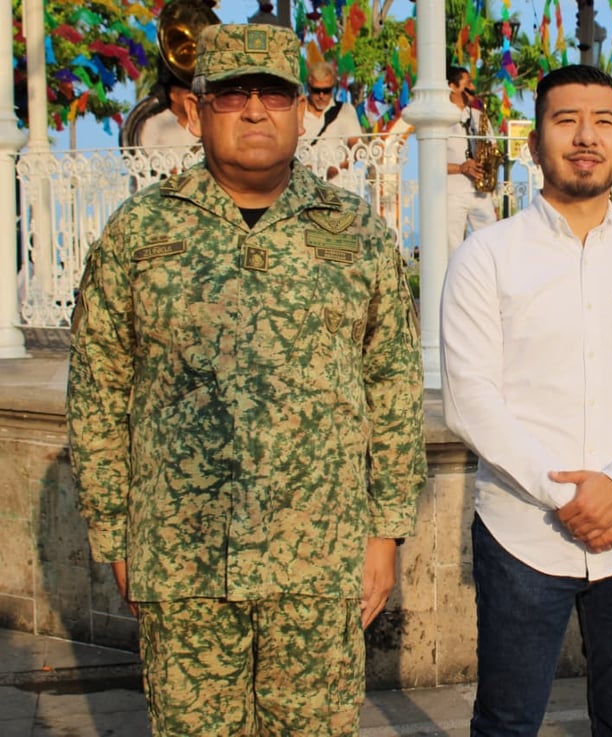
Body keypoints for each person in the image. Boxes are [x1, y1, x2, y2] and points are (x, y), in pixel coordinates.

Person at [66, 24, 426, 737]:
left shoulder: (354, 233)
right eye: (233, 94)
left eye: (274, 94)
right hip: (184, 558)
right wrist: (116, 536)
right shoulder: (140, 233)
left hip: (319, 561)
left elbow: (392, 387)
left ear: (300, 111)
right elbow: (99, 390)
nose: (255, 110)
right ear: (196, 111)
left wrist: (385, 534)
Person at [440, 64, 612, 736]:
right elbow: (472, 400)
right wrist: (571, 499)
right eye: (566, 121)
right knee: (506, 721)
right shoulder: (487, 256)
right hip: (523, 533)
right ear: (534, 144)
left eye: (603, 122)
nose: (586, 137)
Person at [445, 65, 497, 257]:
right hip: (452, 193)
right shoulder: (441, 119)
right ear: (452, 87)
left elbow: (492, 147)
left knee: (492, 241)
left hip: (479, 191)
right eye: (467, 83)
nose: (472, 87)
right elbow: (431, 163)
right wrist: (462, 167)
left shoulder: (478, 116)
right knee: (452, 247)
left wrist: (489, 159)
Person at [301, 60, 363, 185]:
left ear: (333, 87)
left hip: (338, 185)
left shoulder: (345, 110)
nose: (321, 95)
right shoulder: (297, 111)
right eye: (316, 90)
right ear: (308, 87)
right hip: (304, 185)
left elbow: (357, 149)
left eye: (326, 90)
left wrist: (337, 169)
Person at [138, 80, 200, 163]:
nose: (194, 97)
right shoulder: (154, 123)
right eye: (188, 92)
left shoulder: (201, 123)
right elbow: (144, 157)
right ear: (173, 96)